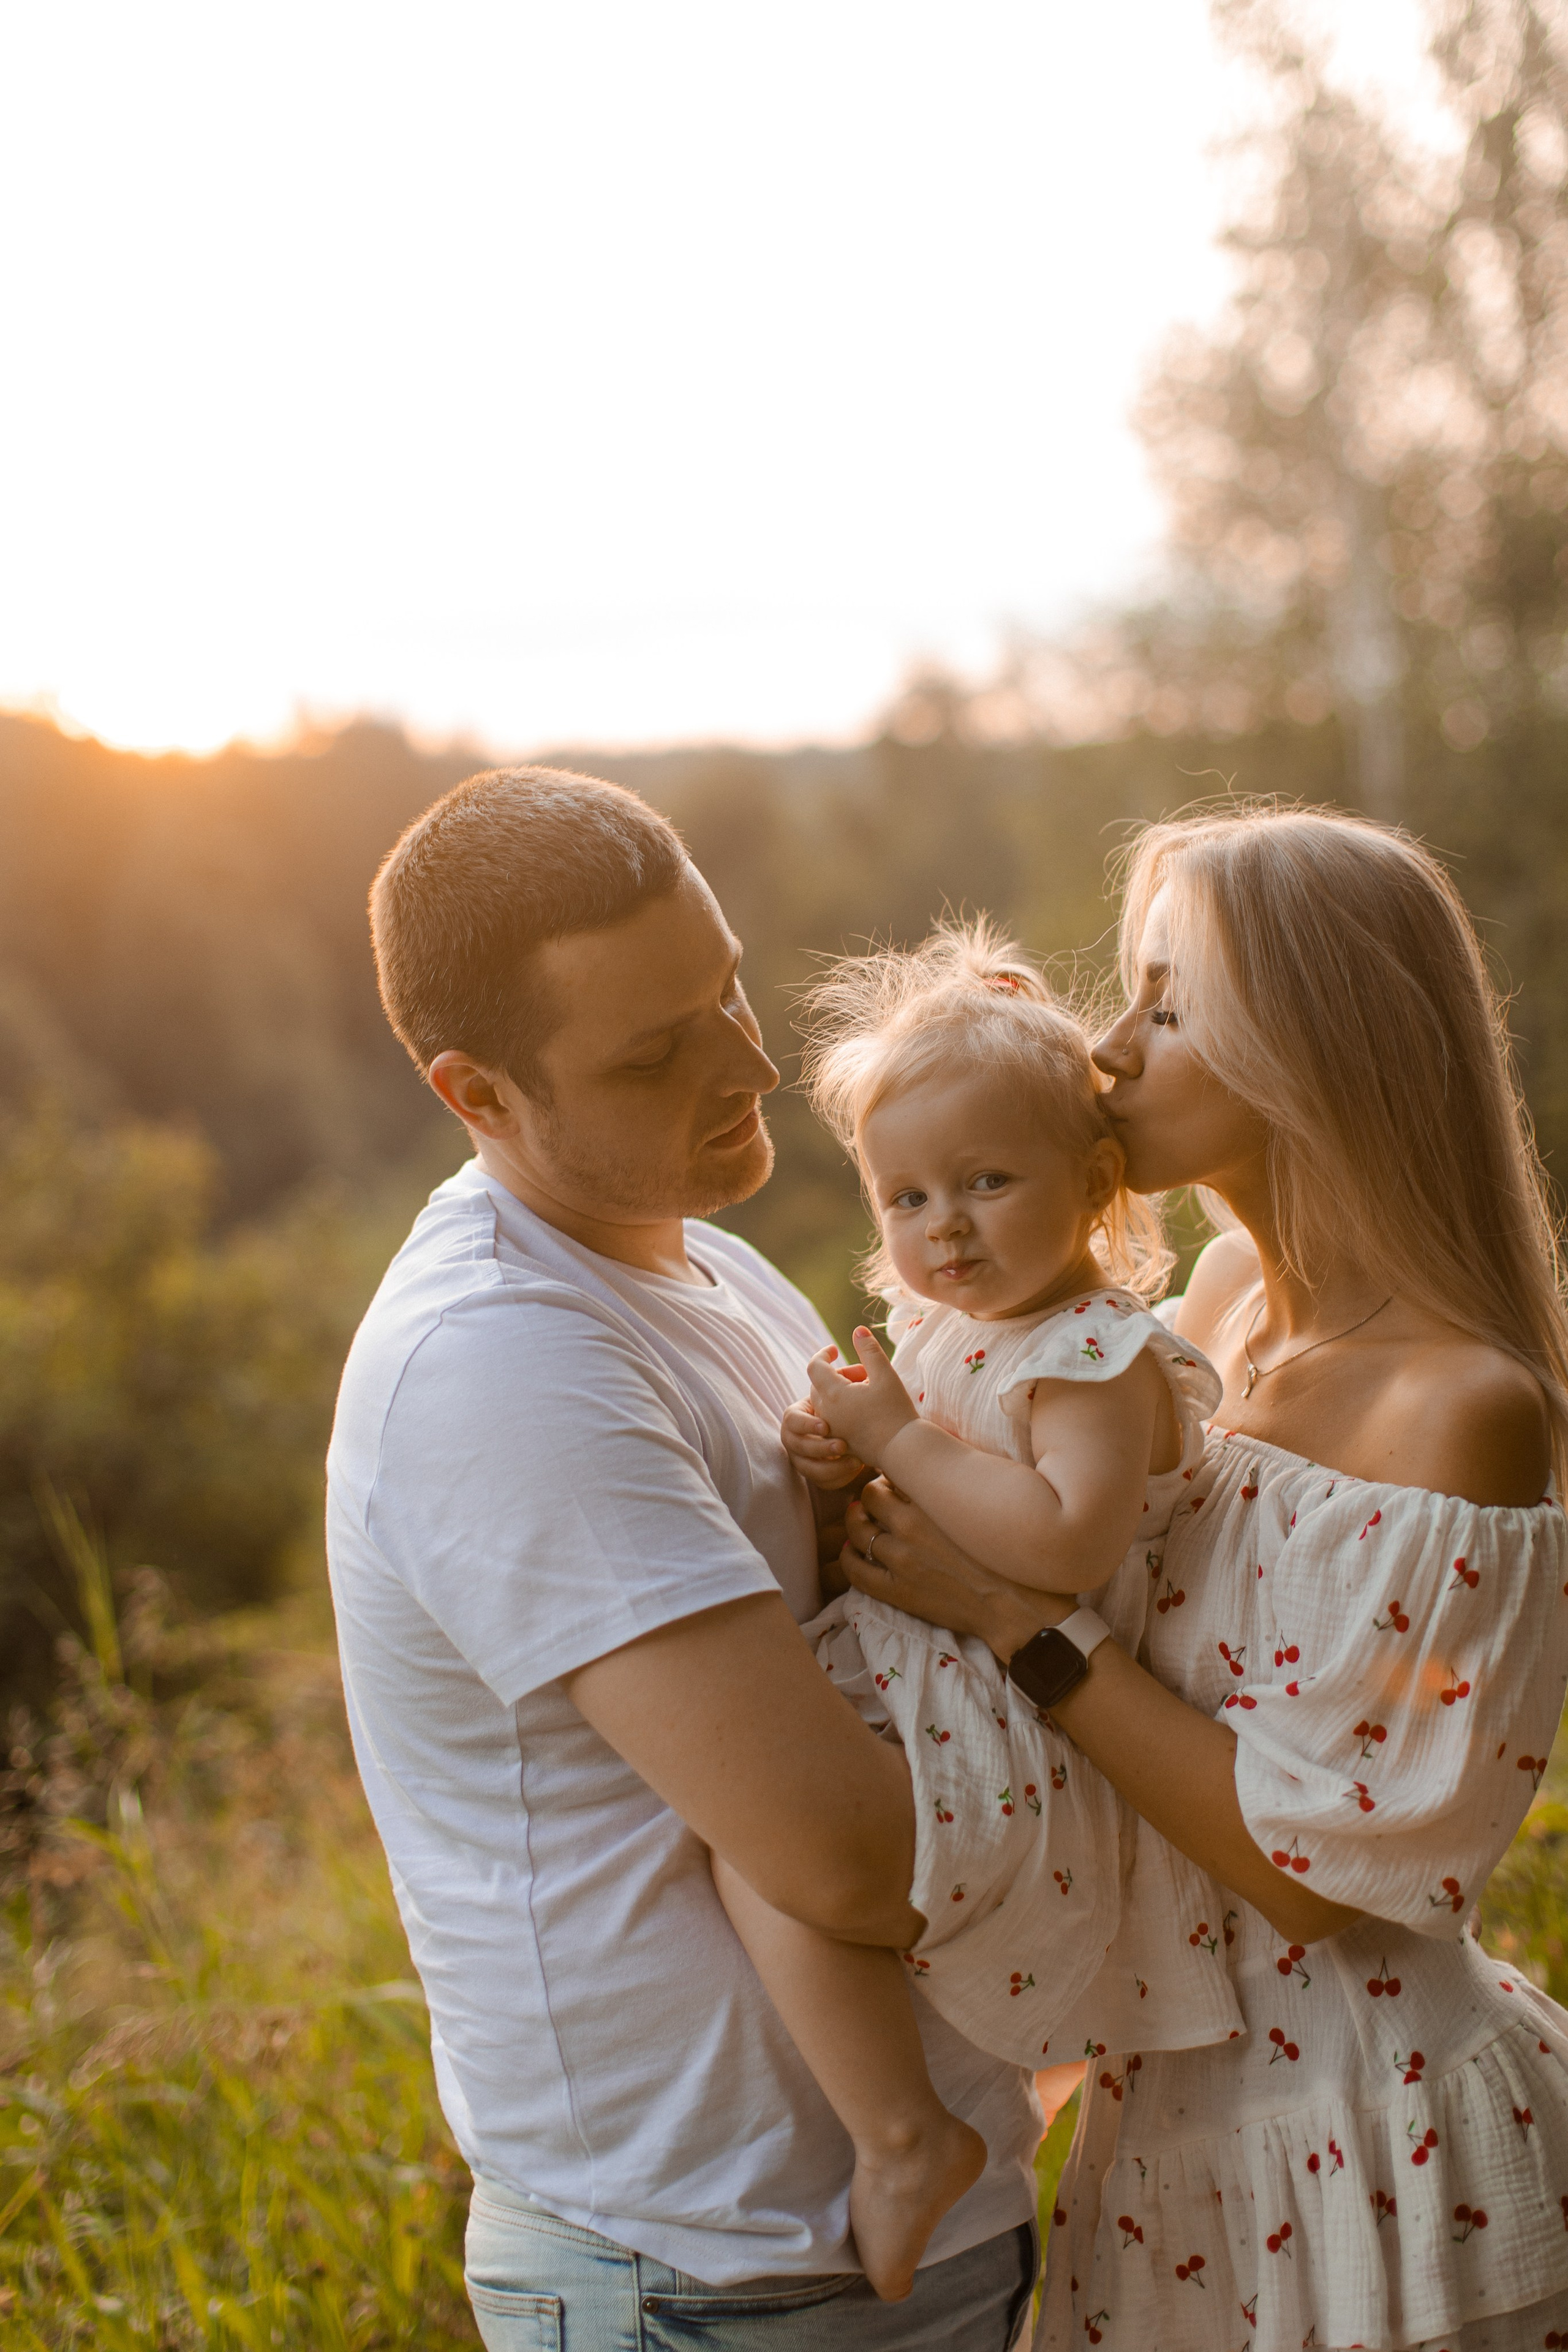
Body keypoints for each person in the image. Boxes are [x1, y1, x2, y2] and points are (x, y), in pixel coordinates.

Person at [324, 766, 1042, 2352]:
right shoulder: (505, 1366)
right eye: (658, 1054)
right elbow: (845, 1853)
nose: (752, 1062)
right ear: (476, 1092)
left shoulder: (707, 1262)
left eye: (725, 991)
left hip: (897, 2229)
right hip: (712, 2273)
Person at [835, 806, 1568, 2352]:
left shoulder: (1461, 1407)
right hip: (1160, 2118)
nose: (1106, 1053)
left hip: (1359, 2140)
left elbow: (1314, 1869)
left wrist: (1008, 1623)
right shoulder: (1213, 1308)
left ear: (1307, 1044)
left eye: (1166, 1009)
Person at [715, 922, 1229, 2301]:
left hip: (1015, 1720)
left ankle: (904, 2136)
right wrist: (842, 1452)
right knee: (748, 1825)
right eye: (906, 1197)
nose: (942, 1226)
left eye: (987, 1183)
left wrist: (897, 1445)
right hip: (937, 1680)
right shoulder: (962, 1329)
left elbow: (1062, 1543)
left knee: (765, 1839)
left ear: (1094, 1183)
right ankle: (916, 2120)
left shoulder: (1092, 1356)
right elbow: (932, 1456)